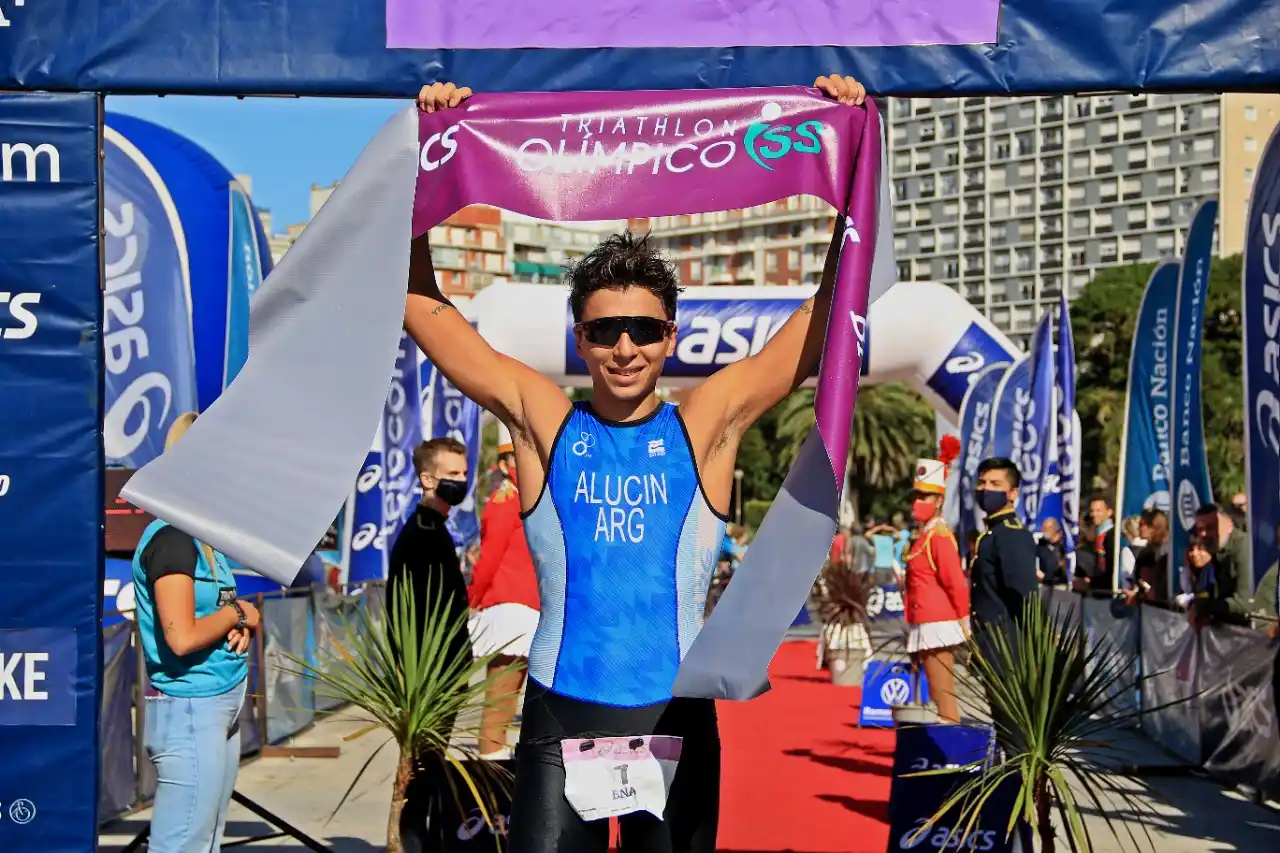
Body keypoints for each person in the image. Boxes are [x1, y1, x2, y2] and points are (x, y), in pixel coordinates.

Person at [411, 73, 868, 853]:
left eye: (644, 330)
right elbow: (427, 313)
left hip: (675, 718)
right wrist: (428, 161)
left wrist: (849, 153)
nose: (625, 347)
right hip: (562, 715)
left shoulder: (707, 425)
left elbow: (825, 325)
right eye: (606, 329)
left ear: (671, 334)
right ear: (580, 337)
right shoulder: (542, 418)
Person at [133, 412, 260, 853]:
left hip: (217, 707)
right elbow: (182, 637)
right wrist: (238, 613)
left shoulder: (205, 539)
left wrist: (244, 621)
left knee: (204, 840)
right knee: (181, 844)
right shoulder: (173, 539)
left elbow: (223, 614)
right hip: (190, 709)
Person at [468, 423, 541, 760]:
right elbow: (488, 560)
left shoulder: (531, 499)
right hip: (509, 609)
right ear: (504, 463)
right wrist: (473, 599)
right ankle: (490, 765)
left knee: (510, 696)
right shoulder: (505, 501)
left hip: (529, 608)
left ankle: (496, 759)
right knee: (499, 697)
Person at [902, 452, 970, 723]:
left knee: (945, 701)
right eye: (916, 495)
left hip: (938, 625)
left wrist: (964, 620)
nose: (918, 502)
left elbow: (955, 582)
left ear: (939, 500)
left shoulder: (939, 536)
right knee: (938, 697)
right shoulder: (925, 536)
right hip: (925, 623)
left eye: (925, 496)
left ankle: (952, 758)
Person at [968, 458, 1039, 666]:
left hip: (1010, 648)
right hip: (990, 643)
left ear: (1013, 493)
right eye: (982, 483)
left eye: (995, 484)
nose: (985, 489)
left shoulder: (1011, 535)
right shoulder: (991, 534)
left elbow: (1025, 595)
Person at [1184, 502, 1252, 628]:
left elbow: (1246, 604)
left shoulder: (1244, 549)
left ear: (1229, 526)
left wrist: (1205, 606)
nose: (1204, 534)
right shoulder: (1215, 549)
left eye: (1210, 527)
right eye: (1200, 529)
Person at [1073, 495, 1116, 594]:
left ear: (1109, 512)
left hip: (1108, 592)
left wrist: (1093, 582)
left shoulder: (1113, 535)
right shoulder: (1095, 535)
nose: (1094, 514)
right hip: (1095, 591)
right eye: (1092, 511)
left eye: (1098, 510)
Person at [1035, 518, 1068, 587]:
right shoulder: (1040, 547)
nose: (1043, 530)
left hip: (1062, 585)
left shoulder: (1065, 546)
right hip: (1045, 585)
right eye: (1043, 528)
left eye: (1046, 528)